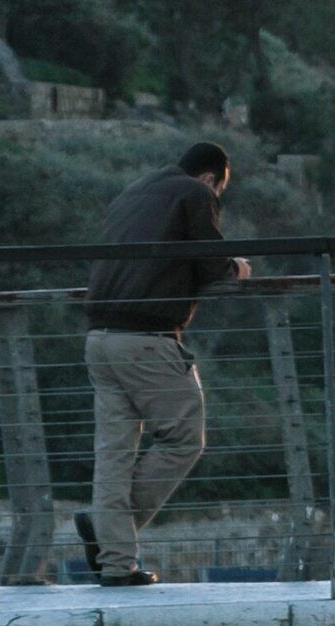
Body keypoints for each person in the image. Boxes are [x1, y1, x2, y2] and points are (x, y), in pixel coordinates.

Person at [79, 143, 248, 587]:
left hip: (99, 336)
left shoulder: (133, 192)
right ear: (211, 178)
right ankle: (105, 534)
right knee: (184, 437)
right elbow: (214, 266)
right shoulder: (195, 193)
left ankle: (117, 564)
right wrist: (240, 269)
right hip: (146, 337)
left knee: (113, 456)